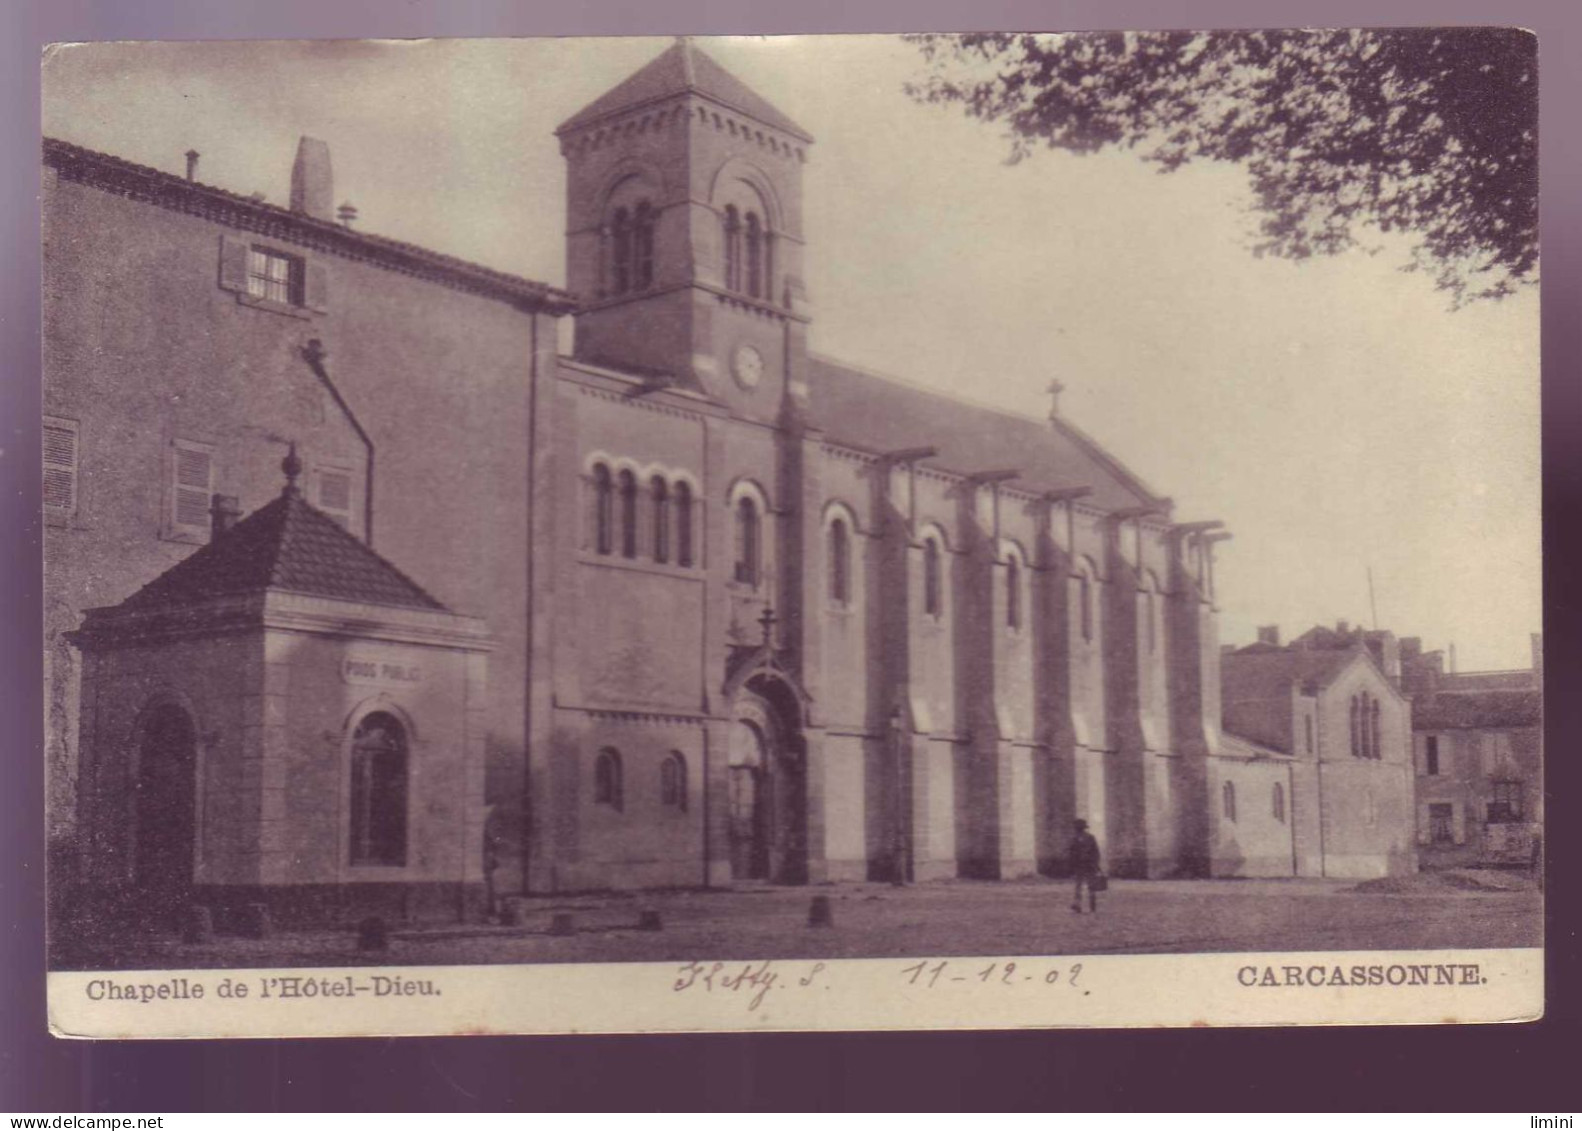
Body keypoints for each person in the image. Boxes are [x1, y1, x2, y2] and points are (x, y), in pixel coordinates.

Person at [1068, 818, 1102, 913]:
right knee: (1091, 885)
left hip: (1079, 865)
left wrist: (1071, 866)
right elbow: (1096, 852)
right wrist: (1096, 864)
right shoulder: (1091, 837)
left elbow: (1071, 854)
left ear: (1076, 828)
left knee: (1078, 886)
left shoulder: (1074, 839)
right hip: (1090, 865)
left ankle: (1078, 904)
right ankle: (1092, 906)